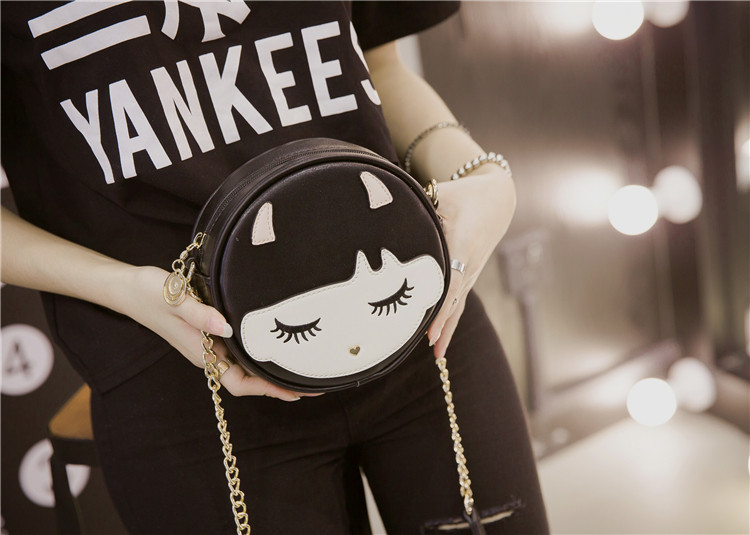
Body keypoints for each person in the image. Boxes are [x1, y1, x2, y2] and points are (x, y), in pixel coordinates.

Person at [1, 2, 549, 533]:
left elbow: (378, 64)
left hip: (408, 313)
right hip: (187, 374)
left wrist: (481, 177)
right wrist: (127, 288)